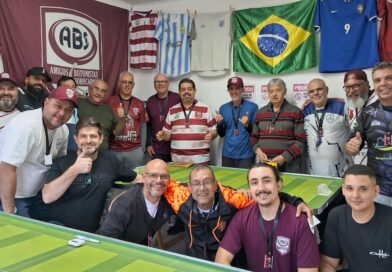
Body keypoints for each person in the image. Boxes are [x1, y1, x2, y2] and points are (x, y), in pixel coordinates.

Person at [165, 164, 312, 262]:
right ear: (189, 187)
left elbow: (265, 194)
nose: (201, 188)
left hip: (225, 262)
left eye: (207, 182)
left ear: (216, 185)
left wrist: (296, 201)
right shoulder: (180, 199)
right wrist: (141, 177)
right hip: (193, 262)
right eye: (196, 183)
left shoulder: (233, 199)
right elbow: (161, 181)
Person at [35, 117, 139, 232]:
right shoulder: (61, 161)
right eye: (83, 136)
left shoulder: (111, 161)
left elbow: (139, 179)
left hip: (91, 234)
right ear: (75, 139)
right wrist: (75, 169)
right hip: (58, 228)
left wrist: (122, 199)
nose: (88, 140)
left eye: (93, 136)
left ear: (101, 139)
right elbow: (47, 197)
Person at [215, 163, 319, 271]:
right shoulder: (241, 218)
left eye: (267, 181)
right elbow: (221, 259)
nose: (261, 188)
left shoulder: (301, 222)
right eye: (254, 183)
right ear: (249, 189)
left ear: (278, 185)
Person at [0, 85, 77, 217]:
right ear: (46, 102)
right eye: (58, 106)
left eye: (68, 110)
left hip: (38, 195)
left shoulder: (63, 129)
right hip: (14, 196)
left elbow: (57, 164)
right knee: (20, 234)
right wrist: (9, 212)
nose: (62, 113)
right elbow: (7, 168)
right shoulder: (25, 125)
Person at [320, 165, 392, 272]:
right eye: (349, 188)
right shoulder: (337, 215)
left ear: (376, 191)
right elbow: (328, 262)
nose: (355, 195)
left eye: (363, 189)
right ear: (343, 190)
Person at [345, 61, 392, 207]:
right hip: (380, 190)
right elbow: (352, 143)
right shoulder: (367, 113)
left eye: (389, 78)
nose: (383, 83)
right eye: (377, 80)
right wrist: (351, 146)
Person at [97, 159, 173, 245]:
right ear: (144, 178)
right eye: (153, 175)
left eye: (164, 176)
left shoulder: (169, 199)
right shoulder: (125, 204)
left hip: (144, 248)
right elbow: (106, 239)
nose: (159, 180)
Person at [250, 78, 306, 173]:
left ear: (285, 91)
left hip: (290, 164)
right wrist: (258, 152)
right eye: (271, 91)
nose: (274, 94)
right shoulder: (260, 112)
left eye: (278, 90)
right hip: (265, 163)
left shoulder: (295, 112)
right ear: (268, 93)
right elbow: (253, 138)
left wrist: (284, 157)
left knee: (290, 188)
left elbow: (301, 141)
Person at [157, 78, 217, 164]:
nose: (186, 92)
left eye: (189, 89)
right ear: (179, 92)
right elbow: (167, 135)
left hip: (201, 160)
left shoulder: (205, 108)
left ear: (195, 91)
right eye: (183, 89)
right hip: (177, 161)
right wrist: (163, 135)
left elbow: (214, 131)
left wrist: (212, 135)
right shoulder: (172, 110)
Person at [303, 78, 352, 177]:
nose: (315, 93)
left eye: (319, 89)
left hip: (341, 174)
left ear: (327, 90)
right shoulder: (305, 110)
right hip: (314, 173)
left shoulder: (343, 107)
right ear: (308, 95)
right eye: (311, 91)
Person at [216, 77, 258, 169]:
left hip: (246, 155)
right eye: (231, 88)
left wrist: (247, 125)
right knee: (227, 182)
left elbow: (255, 133)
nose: (234, 92)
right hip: (227, 154)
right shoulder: (223, 108)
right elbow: (221, 134)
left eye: (237, 88)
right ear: (228, 90)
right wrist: (219, 124)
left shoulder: (253, 107)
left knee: (245, 182)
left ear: (243, 89)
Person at [106, 71, 146, 169]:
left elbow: (143, 127)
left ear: (133, 85)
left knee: (136, 181)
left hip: (134, 151)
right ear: (119, 84)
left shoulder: (139, 103)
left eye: (130, 82)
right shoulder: (110, 101)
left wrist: (142, 149)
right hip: (114, 151)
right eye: (124, 82)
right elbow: (106, 126)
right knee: (114, 181)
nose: (127, 85)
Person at [77, 79, 125, 150]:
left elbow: (118, 133)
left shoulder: (109, 110)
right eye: (96, 89)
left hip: (103, 154)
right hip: (80, 154)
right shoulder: (78, 103)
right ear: (89, 89)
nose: (99, 93)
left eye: (103, 91)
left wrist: (122, 119)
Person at [343, 69, 378, 165]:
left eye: (356, 86)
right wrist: (349, 146)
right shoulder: (348, 105)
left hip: (383, 166)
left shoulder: (380, 100)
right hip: (360, 167)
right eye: (347, 87)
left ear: (367, 84)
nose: (351, 91)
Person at [146, 73, 180, 162]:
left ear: (168, 83)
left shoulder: (177, 98)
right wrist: (148, 144)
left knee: (176, 175)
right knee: (159, 173)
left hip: (176, 147)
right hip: (157, 149)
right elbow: (148, 125)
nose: (160, 84)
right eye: (157, 82)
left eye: (163, 81)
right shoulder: (150, 101)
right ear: (154, 84)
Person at [57, 75, 79, 152]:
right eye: (66, 86)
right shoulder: (54, 109)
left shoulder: (76, 110)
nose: (71, 89)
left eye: (73, 87)